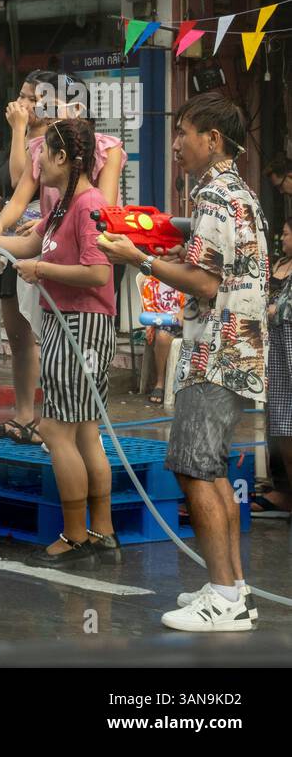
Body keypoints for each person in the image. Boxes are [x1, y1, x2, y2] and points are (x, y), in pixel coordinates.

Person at [103, 93, 266, 631]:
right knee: (209, 467)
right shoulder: (234, 191)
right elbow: (209, 258)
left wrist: (140, 258)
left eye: (184, 133)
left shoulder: (217, 193)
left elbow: (204, 281)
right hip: (229, 349)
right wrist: (166, 234)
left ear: (212, 139)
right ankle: (232, 591)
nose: (176, 144)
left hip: (215, 351)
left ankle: (223, 594)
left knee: (195, 468)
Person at [0, 120, 116, 564]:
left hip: (81, 326)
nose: (36, 161)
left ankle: (77, 535)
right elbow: (25, 243)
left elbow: (98, 272)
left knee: (57, 430)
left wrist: (42, 270)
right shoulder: (64, 205)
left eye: (43, 153)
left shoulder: (88, 204)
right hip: (75, 325)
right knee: (85, 433)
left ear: (63, 158)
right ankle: (102, 533)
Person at [0, 73, 124, 443]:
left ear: (70, 107)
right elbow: (19, 195)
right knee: (33, 336)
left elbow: (101, 214)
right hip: (42, 244)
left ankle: (63, 432)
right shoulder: (38, 147)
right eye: (24, 95)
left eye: (34, 98)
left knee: (77, 364)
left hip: (82, 254)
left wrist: (46, 228)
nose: (25, 104)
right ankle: (38, 421)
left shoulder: (105, 150)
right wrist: (1, 228)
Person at [256, 220, 292, 518]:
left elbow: (279, 307)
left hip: (288, 343)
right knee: (279, 424)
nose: (282, 237)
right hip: (276, 351)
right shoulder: (278, 263)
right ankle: (283, 490)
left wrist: (274, 309)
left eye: (288, 233)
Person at [140, 275, 182, 406]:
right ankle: (160, 382)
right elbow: (147, 311)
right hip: (163, 323)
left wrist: (183, 314)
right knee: (163, 336)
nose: (167, 254)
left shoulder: (187, 275)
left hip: (191, 320)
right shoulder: (150, 281)